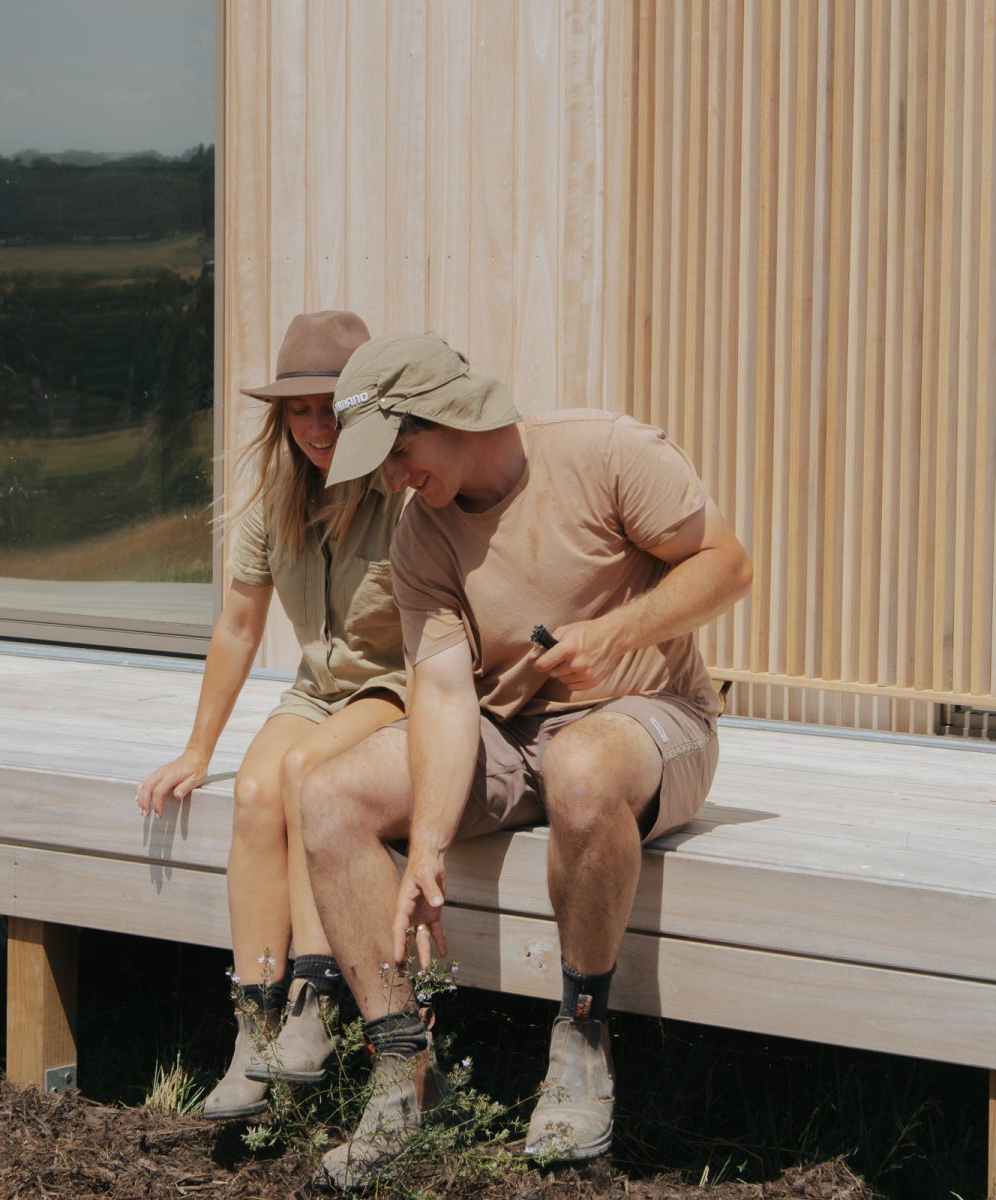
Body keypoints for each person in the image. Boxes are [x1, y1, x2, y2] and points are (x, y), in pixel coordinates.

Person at [300, 332, 752, 1186]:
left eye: (398, 452)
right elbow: (440, 695)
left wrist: (618, 633)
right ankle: (405, 1078)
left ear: (449, 417)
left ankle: (581, 1040)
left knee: (581, 766)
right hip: (511, 733)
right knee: (330, 797)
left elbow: (728, 566)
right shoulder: (421, 535)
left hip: (653, 715)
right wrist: (426, 848)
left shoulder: (607, 451)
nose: (393, 478)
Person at [136, 311, 407, 1120]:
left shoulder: (402, 493)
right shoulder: (273, 503)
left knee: (301, 774)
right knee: (255, 794)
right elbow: (240, 626)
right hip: (316, 690)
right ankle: (253, 1031)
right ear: (281, 419)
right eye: (301, 411)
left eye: (333, 407)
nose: (319, 426)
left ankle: (314, 1002)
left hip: (396, 691)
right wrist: (196, 749)